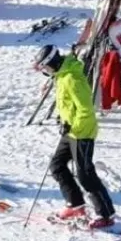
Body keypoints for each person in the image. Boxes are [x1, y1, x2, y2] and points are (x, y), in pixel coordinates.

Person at [32, 44, 116, 229]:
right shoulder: (61, 76)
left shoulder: (72, 78)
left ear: (52, 62)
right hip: (71, 131)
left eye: (45, 67)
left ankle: (106, 214)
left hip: (82, 132)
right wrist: (63, 120)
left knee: (85, 174)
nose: (45, 71)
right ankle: (75, 204)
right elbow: (69, 105)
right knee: (57, 166)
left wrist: (74, 127)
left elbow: (86, 109)